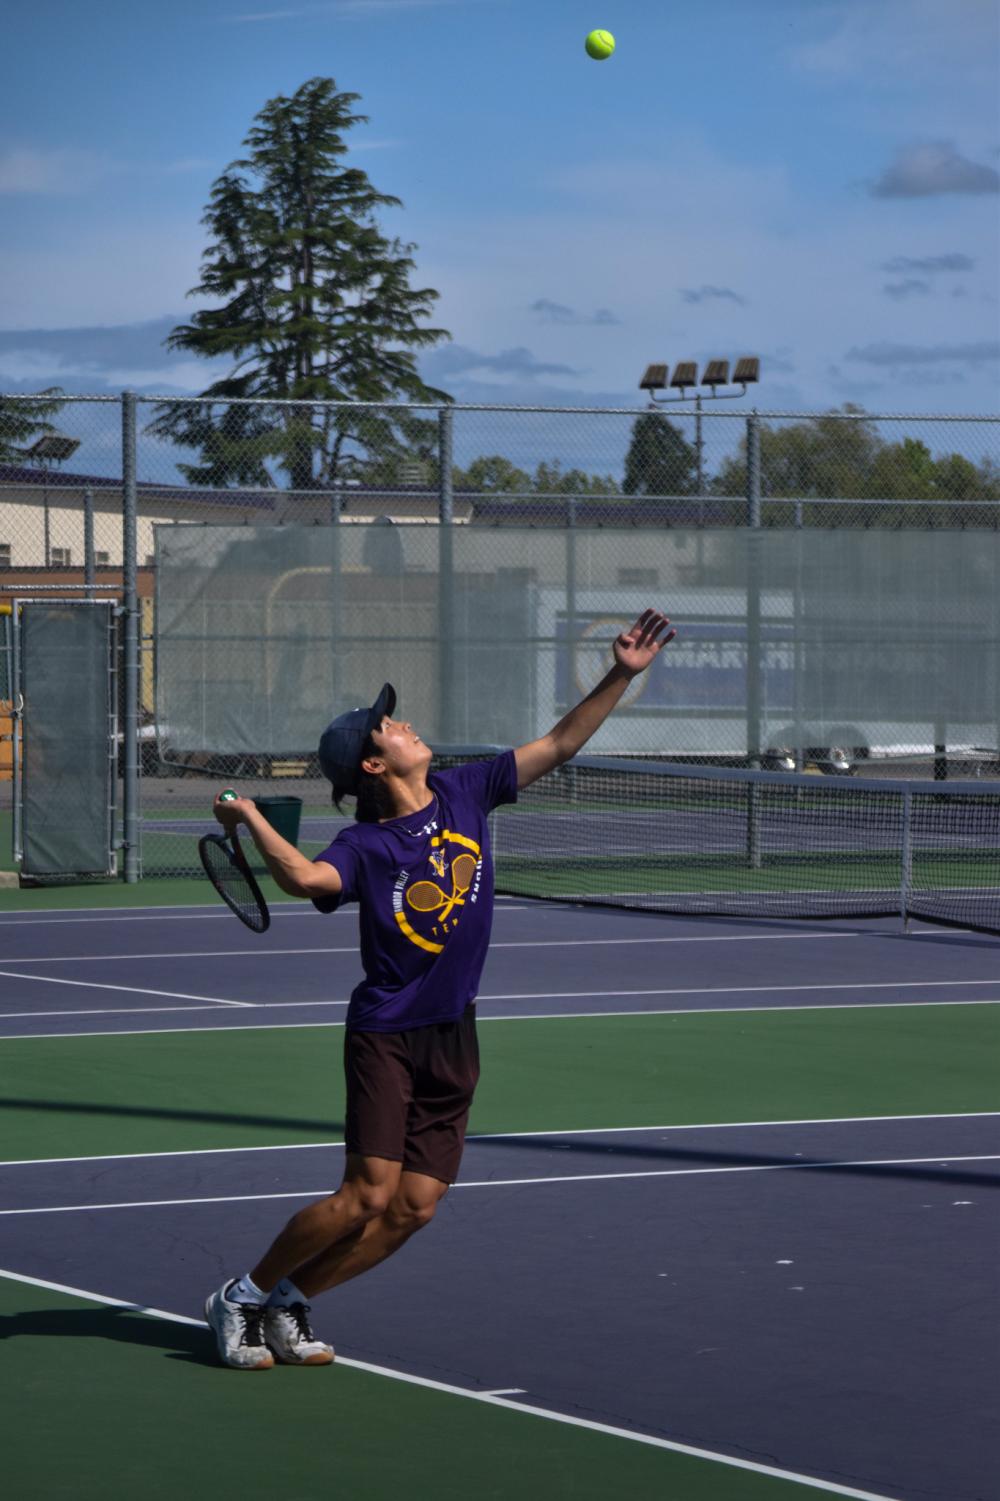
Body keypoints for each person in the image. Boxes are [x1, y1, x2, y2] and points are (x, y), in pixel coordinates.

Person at [204, 608, 675, 1368]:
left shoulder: (467, 790)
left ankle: (290, 1302)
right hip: (388, 1031)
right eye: (389, 725)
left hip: (454, 1029)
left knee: (415, 1207)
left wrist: (621, 672)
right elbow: (303, 878)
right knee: (367, 1194)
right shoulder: (365, 844)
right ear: (372, 764)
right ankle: (242, 1296)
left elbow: (559, 742)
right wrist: (254, 815)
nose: (406, 723)